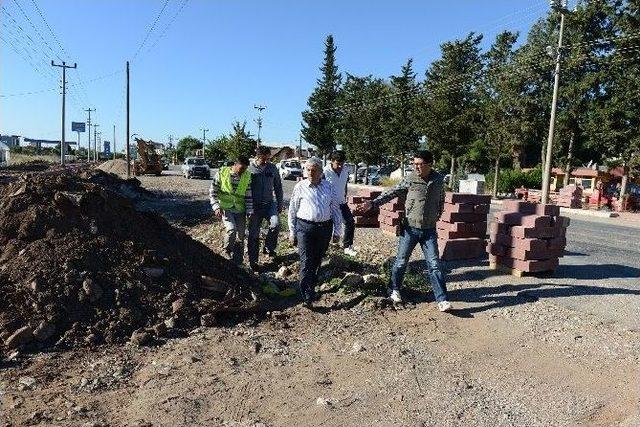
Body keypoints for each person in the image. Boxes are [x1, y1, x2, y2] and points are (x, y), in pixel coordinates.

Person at [357, 150, 452, 312]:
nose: (416, 167)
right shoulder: (410, 179)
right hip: (410, 229)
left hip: (429, 230)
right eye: (414, 164)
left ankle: (442, 299)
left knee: (435, 264)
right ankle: (394, 290)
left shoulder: (438, 180)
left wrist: (437, 215)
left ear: (429, 164)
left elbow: (441, 199)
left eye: (419, 164)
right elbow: (392, 192)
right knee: (401, 262)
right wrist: (373, 203)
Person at [288, 157, 343, 306]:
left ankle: (311, 287)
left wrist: (337, 231)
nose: (311, 173)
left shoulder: (328, 187)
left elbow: (335, 210)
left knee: (317, 260)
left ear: (320, 171)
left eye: (314, 170)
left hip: (324, 228)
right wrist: (292, 231)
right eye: (308, 170)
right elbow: (292, 210)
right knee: (306, 260)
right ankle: (306, 296)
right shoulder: (300, 186)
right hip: (304, 228)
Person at [209, 156, 253, 266]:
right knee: (231, 230)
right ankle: (226, 251)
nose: (243, 171)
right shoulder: (222, 173)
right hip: (226, 208)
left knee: (241, 236)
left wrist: (250, 211)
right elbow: (212, 192)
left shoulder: (246, 176)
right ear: (234, 165)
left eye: (245, 169)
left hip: (240, 210)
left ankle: (238, 260)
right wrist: (216, 206)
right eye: (241, 168)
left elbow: (248, 196)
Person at [247, 146, 284, 271]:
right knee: (253, 235)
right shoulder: (249, 169)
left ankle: (269, 248)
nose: (266, 162)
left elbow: (278, 186)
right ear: (257, 157)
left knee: (275, 224)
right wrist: (248, 209)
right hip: (254, 206)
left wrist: (279, 203)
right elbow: (244, 189)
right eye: (264, 159)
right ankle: (253, 262)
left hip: (269, 204)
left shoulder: (272, 168)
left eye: (268, 159)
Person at [323, 150, 357, 257]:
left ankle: (347, 247)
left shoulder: (345, 170)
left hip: (341, 202)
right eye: (338, 164)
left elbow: (344, 184)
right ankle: (323, 248)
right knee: (327, 226)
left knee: (350, 222)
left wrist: (345, 195)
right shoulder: (325, 172)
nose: (340, 166)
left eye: (342, 164)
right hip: (328, 204)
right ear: (332, 161)